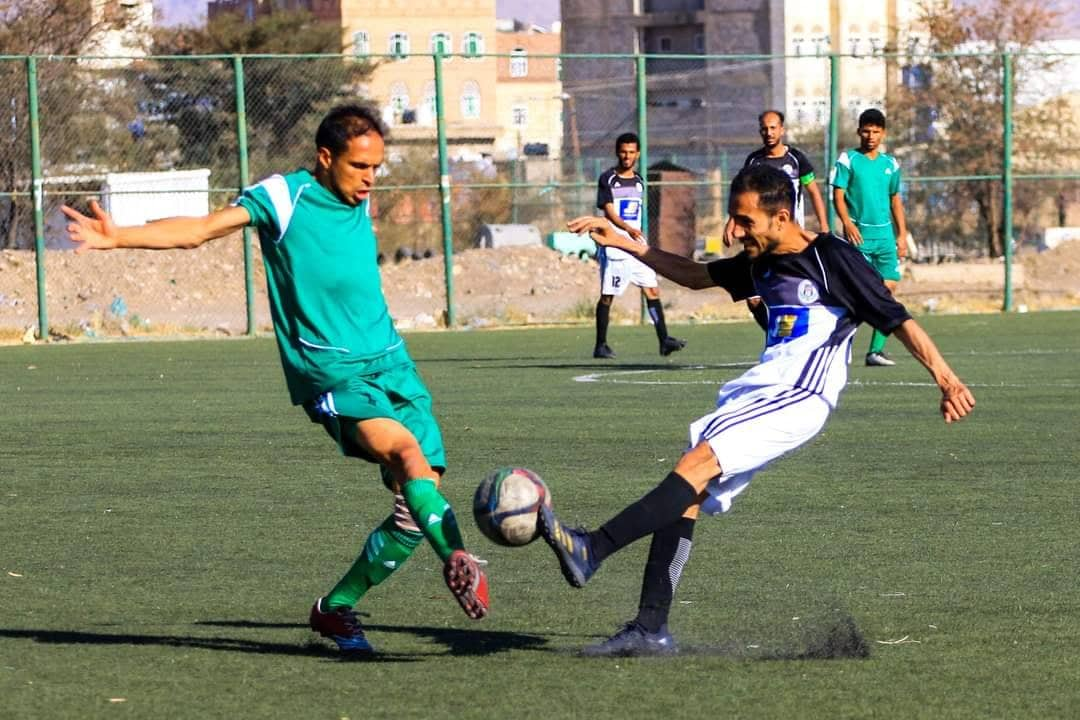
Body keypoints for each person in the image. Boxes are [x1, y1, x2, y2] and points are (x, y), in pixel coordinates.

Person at [61, 104, 489, 657]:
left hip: (394, 364)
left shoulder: (359, 195)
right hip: (333, 373)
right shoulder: (283, 198)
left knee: (413, 510)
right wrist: (121, 238)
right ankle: (456, 556)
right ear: (326, 157)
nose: (370, 178)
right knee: (407, 456)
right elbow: (200, 230)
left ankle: (334, 611)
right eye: (361, 166)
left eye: (378, 168)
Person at [540, 164, 974, 657]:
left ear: (781, 216)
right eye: (734, 218)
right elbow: (695, 274)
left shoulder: (831, 257)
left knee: (694, 465)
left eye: (745, 221)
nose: (735, 230)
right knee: (689, 490)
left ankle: (592, 549)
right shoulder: (758, 260)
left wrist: (945, 377)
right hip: (764, 388)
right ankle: (651, 627)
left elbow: (897, 319)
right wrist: (625, 242)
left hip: (799, 392)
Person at [724, 110, 829, 331]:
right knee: (753, 298)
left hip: (788, 240)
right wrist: (731, 222)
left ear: (782, 129)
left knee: (790, 291)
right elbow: (743, 195)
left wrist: (824, 226)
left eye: (773, 128)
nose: (769, 132)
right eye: (764, 128)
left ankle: (800, 334)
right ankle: (774, 335)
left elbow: (813, 191)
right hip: (759, 239)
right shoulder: (754, 161)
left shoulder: (797, 159)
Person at [592, 131, 686, 359]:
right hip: (615, 246)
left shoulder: (639, 182)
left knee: (651, 290)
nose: (627, 156)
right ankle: (600, 345)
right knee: (608, 296)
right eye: (623, 152)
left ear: (638, 154)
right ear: (617, 153)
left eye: (631, 152)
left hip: (636, 246)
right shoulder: (608, 179)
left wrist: (636, 234)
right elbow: (610, 212)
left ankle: (664, 339)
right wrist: (627, 229)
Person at [831, 108, 909, 367]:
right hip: (860, 238)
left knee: (889, 291)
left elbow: (895, 200)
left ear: (883, 133)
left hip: (885, 237)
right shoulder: (848, 159)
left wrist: (902, 235)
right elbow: (838, 195)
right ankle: (835, 344)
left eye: (876, 131)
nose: (871, 136)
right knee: (860, 294)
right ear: (859, 132)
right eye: (866, 131)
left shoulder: (891, 164)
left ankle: (875, 351)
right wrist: (847, 223)